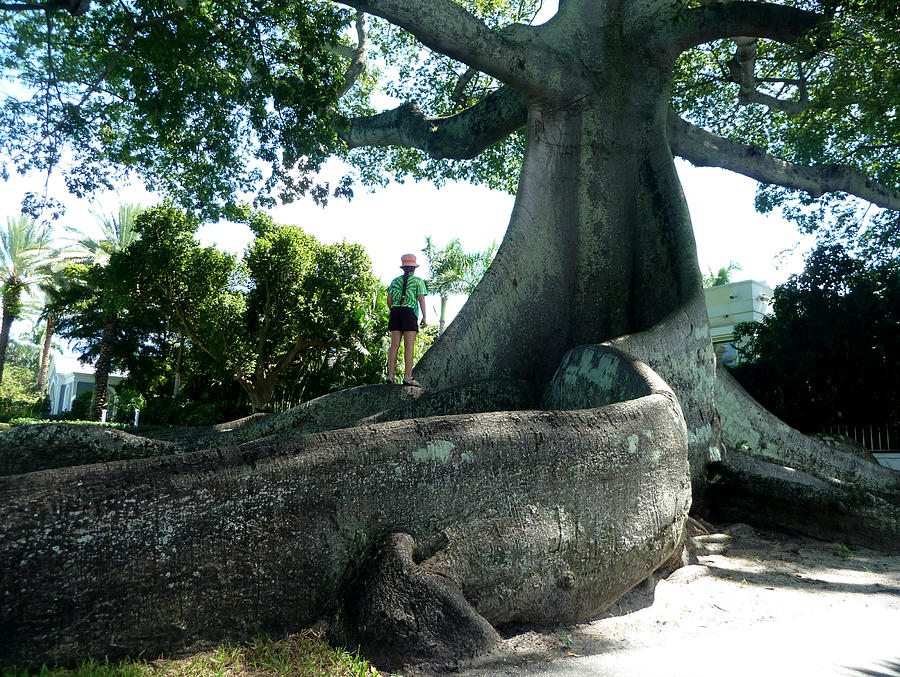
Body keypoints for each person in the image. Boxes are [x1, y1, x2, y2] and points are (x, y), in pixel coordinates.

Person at [386, 253, 428, 385]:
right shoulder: (418, 281)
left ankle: (390, 375)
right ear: (414, 268)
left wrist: (394, 310)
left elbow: (389, 300)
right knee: (409, 347)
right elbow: (421, 299)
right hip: (409, 313)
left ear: (403, 268)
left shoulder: (394, 281)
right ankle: (408, 377)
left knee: (394, 346)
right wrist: (424, 317)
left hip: (395, 312)